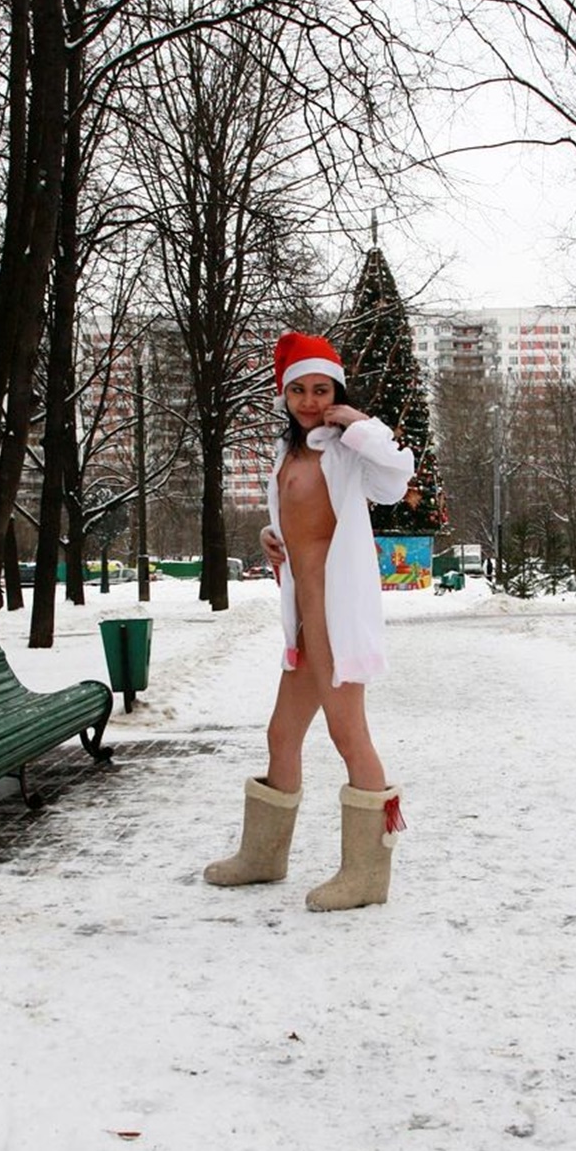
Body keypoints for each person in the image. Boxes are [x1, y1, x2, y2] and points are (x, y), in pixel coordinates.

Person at [204, 331, 414, 910]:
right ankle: (263, 857)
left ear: (337, 392)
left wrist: (358, 422)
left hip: (336, 612)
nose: (310, 401)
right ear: (284, 394)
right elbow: (297, 518)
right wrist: (271, 536)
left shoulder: (347, 448)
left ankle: (366, 875)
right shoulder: (289, 451)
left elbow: (396, 479)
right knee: (281, 734)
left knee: (349, 735)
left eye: (322, 390)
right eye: (299, 390)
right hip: (302, 611)